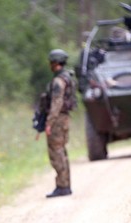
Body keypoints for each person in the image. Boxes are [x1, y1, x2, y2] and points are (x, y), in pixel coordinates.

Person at [43, 49, 77, 198]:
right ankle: (65, 185)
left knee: (56, 152)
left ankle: (63, 186)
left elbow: (57, 103)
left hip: (57, 120)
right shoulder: (67, 78)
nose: (50, 65)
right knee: (61, 151)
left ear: (55, 63)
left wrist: (49, 122)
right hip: (64, 119)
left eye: (51, 62)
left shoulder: (58, 81)